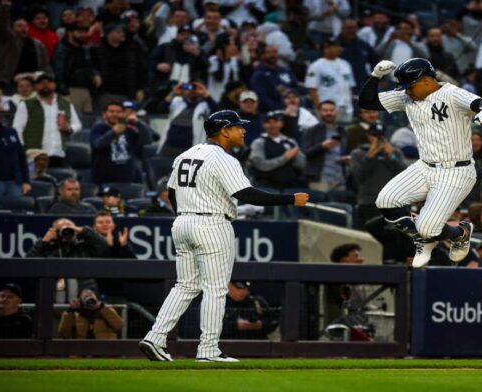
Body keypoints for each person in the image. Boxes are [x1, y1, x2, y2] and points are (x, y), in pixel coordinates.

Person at [139, 110, 309, 363]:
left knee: (185, 285)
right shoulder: (223, 158)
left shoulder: (186, 154)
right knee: (216, 289)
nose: (243, 131)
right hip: (212, 223)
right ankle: (208, 350)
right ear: (224, 130)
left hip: (183, 222)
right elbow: (247, 194)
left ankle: (155, 337)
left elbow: (172, 193)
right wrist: (290, 199)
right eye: (238, 127)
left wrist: (186, 216)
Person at [359, 58, 482, 268]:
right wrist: (375, 76)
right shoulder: (408, 97)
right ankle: (425, 239)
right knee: (386, 201)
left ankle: (460, 233)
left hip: (456, 171)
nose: (406, 92)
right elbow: (366, 102)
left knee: (427, 227)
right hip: (424, 167)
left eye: (409, 86)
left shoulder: (451, 93)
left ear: (425, 81)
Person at [13, 73, 82, 168]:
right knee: (36, 182)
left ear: (54, 85)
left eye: (49, 82)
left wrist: (69, 128)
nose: (45, 85)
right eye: (41, 83)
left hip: (59, 153)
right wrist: (21, 149)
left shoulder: (66, 104)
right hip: (34, 155)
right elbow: (17, 129)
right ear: (35, 86)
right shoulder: (26, 105)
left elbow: (77, 125)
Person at [350, 123, 407, 227]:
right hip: (368, 202)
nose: (378, 139)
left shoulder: (395, 153)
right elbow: (357, 177)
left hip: (392, 202)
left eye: (381, 136)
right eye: (375, 136)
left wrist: (392, 157)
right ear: (368, 136)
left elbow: (404, 175)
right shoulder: (358, 153)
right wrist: (368, 157)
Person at [0, 1, 51, 87]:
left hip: (32, 81)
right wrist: (4, 7)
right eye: (19, 26)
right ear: (12, 29)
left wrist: (48, 77)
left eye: (25, 26)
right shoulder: (8, 40)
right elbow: (1, 26)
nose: (23, 28)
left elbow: (45, 64)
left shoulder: (38, 44)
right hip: (9, 81)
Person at [248, 111, 305, 189]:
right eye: (268, 122)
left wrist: (296, 155)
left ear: (281, 123)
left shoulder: (290, 141)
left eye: (275, 122)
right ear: (264, 125)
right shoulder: (259, 143)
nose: (272, 125)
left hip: (290, 186)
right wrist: (284, 158)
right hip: (266, 186)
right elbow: (261, 165)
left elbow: (302, 164)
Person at [90, 102, 144, 185]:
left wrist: (139, 123)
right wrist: (113, 132)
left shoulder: (130, 129)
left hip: (127, 178)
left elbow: (148, 141)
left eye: (118, 112)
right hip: (104, 180)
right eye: (111, 111)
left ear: (123, 114)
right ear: (104, 114)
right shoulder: (98, 128)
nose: (115, 114)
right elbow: (97, 145)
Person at [305, 37, 355, 123]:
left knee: (345, 134)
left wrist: (350, 102)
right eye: (335, 46)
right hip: (328, 110)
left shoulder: (345, 64)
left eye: (339, 46)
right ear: (326, 49)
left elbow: (350, 87)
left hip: (346, 108)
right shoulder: (316, 66)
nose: (339, 48)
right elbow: (312, 89)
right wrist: (319, 108)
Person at [300, 101, 348, 192]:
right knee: (320, 205)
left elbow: (345, 151)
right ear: (319, 112)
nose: (329, 113)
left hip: (339, 178)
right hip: (319, 178)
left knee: (339, 205)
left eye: (331, 110)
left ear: (336, 112)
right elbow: (306, 153)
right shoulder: (311, 131)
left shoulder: (342, 131)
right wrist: (322, 146)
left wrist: (346, 158)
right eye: (325, 110)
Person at [52, 25, 98, 113]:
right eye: (80, 32)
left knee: (87, 122)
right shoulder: (61, 49)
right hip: (71, 90)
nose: (83, 35)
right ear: (70, 33)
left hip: (87, 90)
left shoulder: (84, 49)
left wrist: (95, 74)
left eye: (84, 32)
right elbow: (58, 72)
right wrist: (64, 92)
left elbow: (89, 66)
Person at [26, 217, 108, 258]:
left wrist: (84, 230)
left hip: (84, 288)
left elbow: (103, 246)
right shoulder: (48, 250)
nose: (67, 231)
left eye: (69, 228)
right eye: (63, 229)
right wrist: (44, 241)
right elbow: (28, 263)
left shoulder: (84, 247)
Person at [57, 288, 124, 339]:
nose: (89, 298)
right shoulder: (75, 314)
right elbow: (64, 333)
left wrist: (101, 307)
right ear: (80, 300)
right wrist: (70, 311)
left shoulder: (105, 309)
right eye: (86, 297)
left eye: (91, 295)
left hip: (105, 349)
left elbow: (119, 325)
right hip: (82, 352)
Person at [249, 45, 299, 112]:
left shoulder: (285, 71)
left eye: (275, 52)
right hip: (271, 112)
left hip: (292, 107)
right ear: (263, 55)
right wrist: (279, 109)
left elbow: (296, 87)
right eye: (268, 52)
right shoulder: (258, 74)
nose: (272, 55)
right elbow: (262, 97)